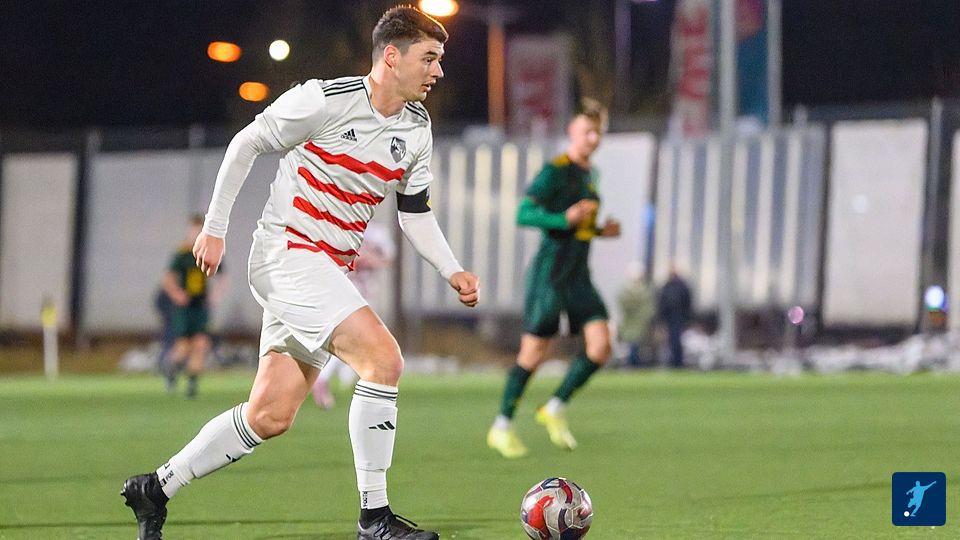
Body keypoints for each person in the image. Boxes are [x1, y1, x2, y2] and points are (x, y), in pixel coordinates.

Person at [121, 7, 479, 540]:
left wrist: (451, 269)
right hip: (287, 255)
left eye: (439, 60)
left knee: (270, 414)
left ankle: (155, 488)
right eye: (429, 58)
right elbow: (246, 142)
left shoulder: (416, 128)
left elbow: (414, 212)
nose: (438, 71)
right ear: (391, 56)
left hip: (324, 271)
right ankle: (375, 519)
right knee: (383, 360)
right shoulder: (324, 100)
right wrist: (214, 228)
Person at [486, 98, 620, 459]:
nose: (593, 138)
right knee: (533, 354)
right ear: (572, 131)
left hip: (579, 276)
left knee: (601, 346)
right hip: (551, 274)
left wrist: (599, 231)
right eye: (587, 131)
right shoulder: (555, 171)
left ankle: (554, 407)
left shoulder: (592, 174)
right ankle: (501, 426)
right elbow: (524, 213)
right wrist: (563, 219)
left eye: (598, 132)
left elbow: (579, 226)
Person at [312, 222, 396, 409]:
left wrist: (370, 259)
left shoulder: (377, 233)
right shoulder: (341, 225)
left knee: (356, 340)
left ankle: (346, 379)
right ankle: (324, 378)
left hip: (366, 293)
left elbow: (388, 259)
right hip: (346, 292)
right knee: (353, 339)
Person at [161, 214, 224, 397]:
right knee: (183, 347)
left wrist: (215, 295)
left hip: (200, 306)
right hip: (184, 308)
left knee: (200, 344)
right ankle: (171, 368)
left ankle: (192, 386)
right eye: (193, 230)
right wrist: (177, 294)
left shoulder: (207, 250)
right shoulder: (182, 254)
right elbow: (167, 279)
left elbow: (222, 276)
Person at [656, 266, 692, 369]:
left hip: (679, 317)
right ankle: (673, 361)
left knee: (677, 340)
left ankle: (678, 361)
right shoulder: (666, 287)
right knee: (671, 341)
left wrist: (687, 318)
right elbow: (662, 303)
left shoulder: (682, 286)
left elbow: (687, 303)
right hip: (669, 317)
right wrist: (661, 318)